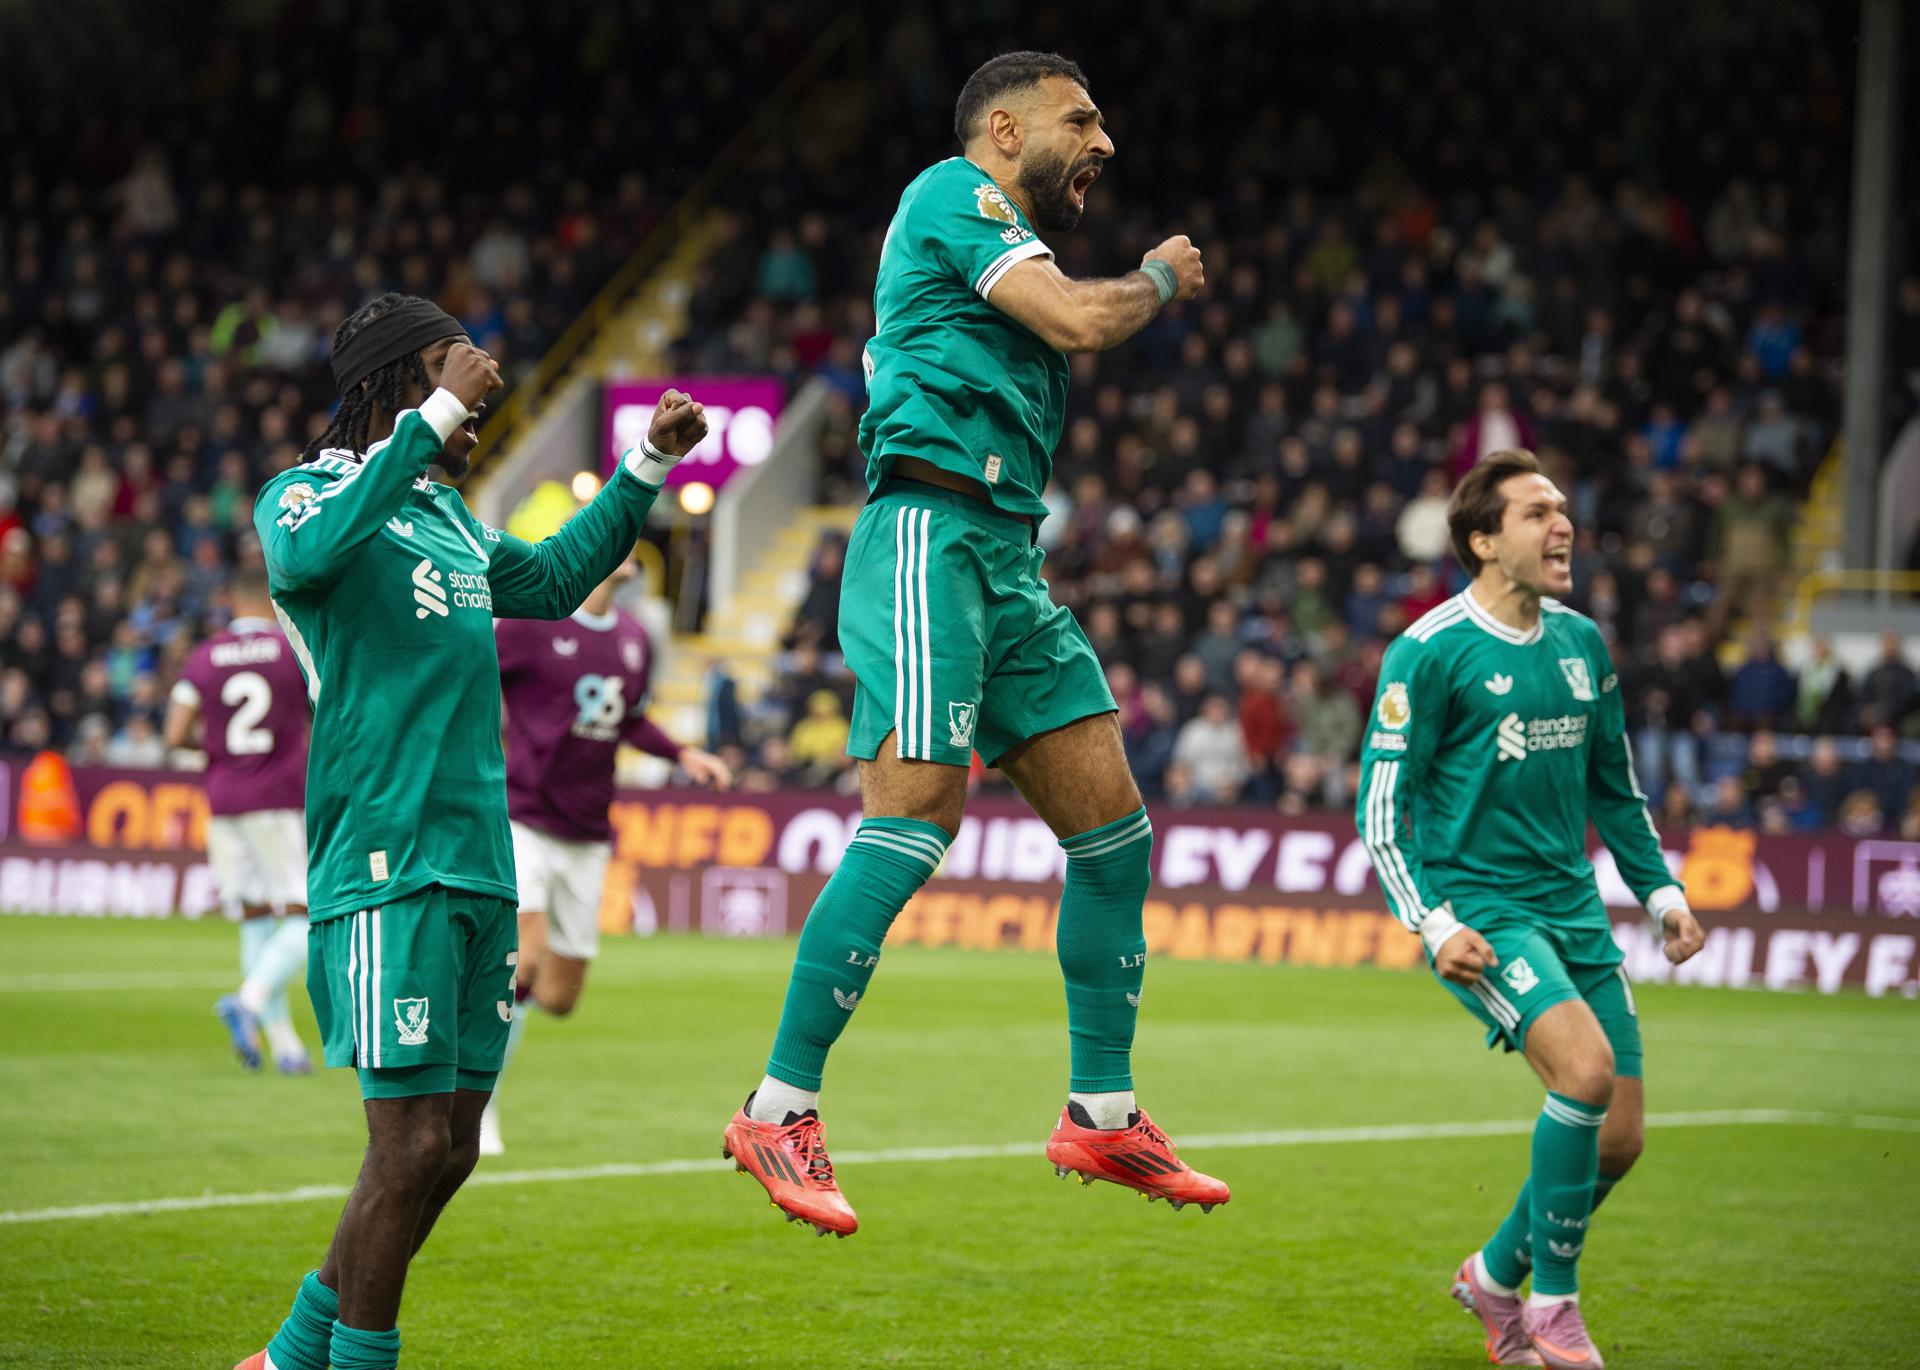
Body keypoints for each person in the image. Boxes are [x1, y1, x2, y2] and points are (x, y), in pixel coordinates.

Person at [721, 50, 1227, 1240]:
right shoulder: (953, 191)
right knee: (916, 818)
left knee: (1114, 833)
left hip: (1005, 555)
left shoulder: (1013, 236)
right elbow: (1080, 315)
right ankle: (776, 1107)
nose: (1103, 142)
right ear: (1003, 128)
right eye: (1080, 119)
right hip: (930, 535)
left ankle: (1102, 1109)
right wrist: (1157, 275)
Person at [235, 292, 706, 1370]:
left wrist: (643, 462)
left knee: (446, 1148)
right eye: (459, 369)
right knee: (401, 1146)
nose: (484, 390)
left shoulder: (445, 512)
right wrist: (436, 416)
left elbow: (544, 580)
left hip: (481, 859)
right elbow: (304, 566)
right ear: (403, 378)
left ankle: (298, 1352)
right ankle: (357, 1359)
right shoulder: (303, 495)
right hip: (384, 854)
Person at [1355, 449, 1706, 1368]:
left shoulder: (1583, 644)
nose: (1563, 526)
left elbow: (1616, 790)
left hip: (1576, 912)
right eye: (1537, 513)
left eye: (1564, 509)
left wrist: (1661, 891)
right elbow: (1380, 812)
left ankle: (1494, 1275)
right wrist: (1434, 923)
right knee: (1583, 1077)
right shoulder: (1429, 651)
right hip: (1486, 916)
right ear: (1483, 540)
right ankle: (1551, 1306)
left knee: (1620, 1141)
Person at [481, 561, 732, 1155]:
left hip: (588, 830)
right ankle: (478, 1104)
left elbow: (631, 719)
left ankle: (472, 1004)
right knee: (525, 957)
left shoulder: (634, 635)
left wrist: (682, 754)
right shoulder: (528, 625)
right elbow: (473, 675)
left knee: (559, 996)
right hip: (524, 816)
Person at [164, 567, 314, 1074]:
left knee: (254, 916)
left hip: (225, 800)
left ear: (230, 599)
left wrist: (214, 748)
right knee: (304, 914)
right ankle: (248, 1002)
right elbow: (325, 708)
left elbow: (173, 735)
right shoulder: (290, 649)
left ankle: (285, 1045)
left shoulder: (204, 656)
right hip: (278, 799)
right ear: (271, 599)